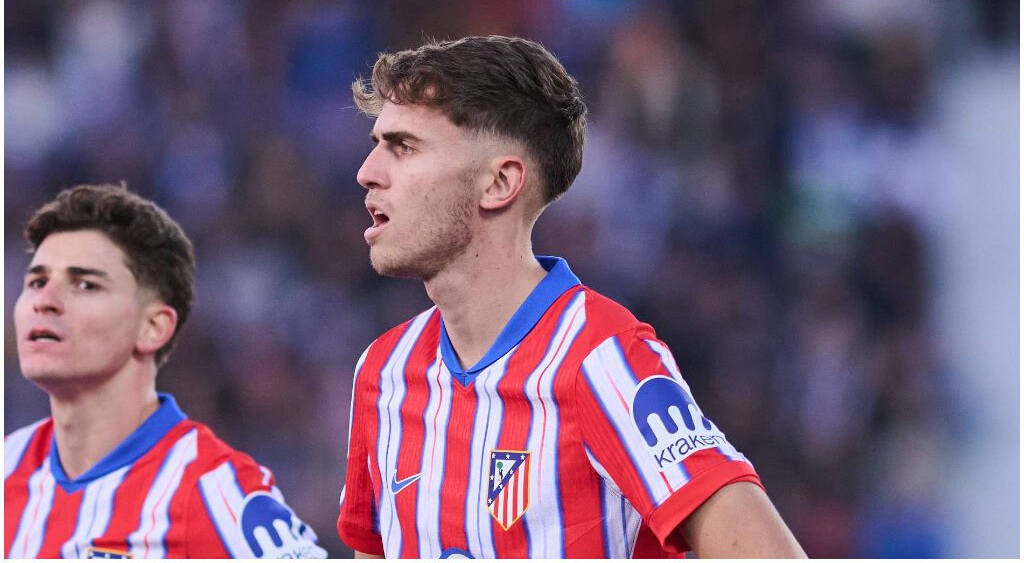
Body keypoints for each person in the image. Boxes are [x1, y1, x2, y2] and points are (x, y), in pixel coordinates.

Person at [336, 35, 806, 559]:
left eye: (403, 147)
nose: (367, 172)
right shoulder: (382, 373)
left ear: (499, 183)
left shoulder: (604, 360)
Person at [5, 184, 327, 559]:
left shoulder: (214, 488)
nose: (45, 301)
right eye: (37, 282)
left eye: (85, 284)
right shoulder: (7, 465)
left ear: (153, 327)